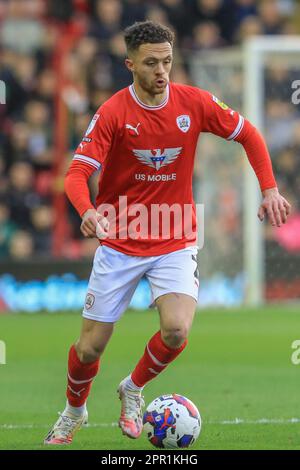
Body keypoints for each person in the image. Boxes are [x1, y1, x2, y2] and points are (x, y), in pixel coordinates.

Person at [44, 20, 291, 445]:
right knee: (89, 350)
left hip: (174, 237)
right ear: (130, 65)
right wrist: (88, 211)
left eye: (168, 62)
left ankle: (133, 388)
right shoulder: (112, 113)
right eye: (152, 63)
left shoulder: (193, 103)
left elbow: (248, 134)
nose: (162, 71)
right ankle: (73, 410)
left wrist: (269, 188)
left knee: (177, 330)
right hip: (120, 239)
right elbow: (76, 174)